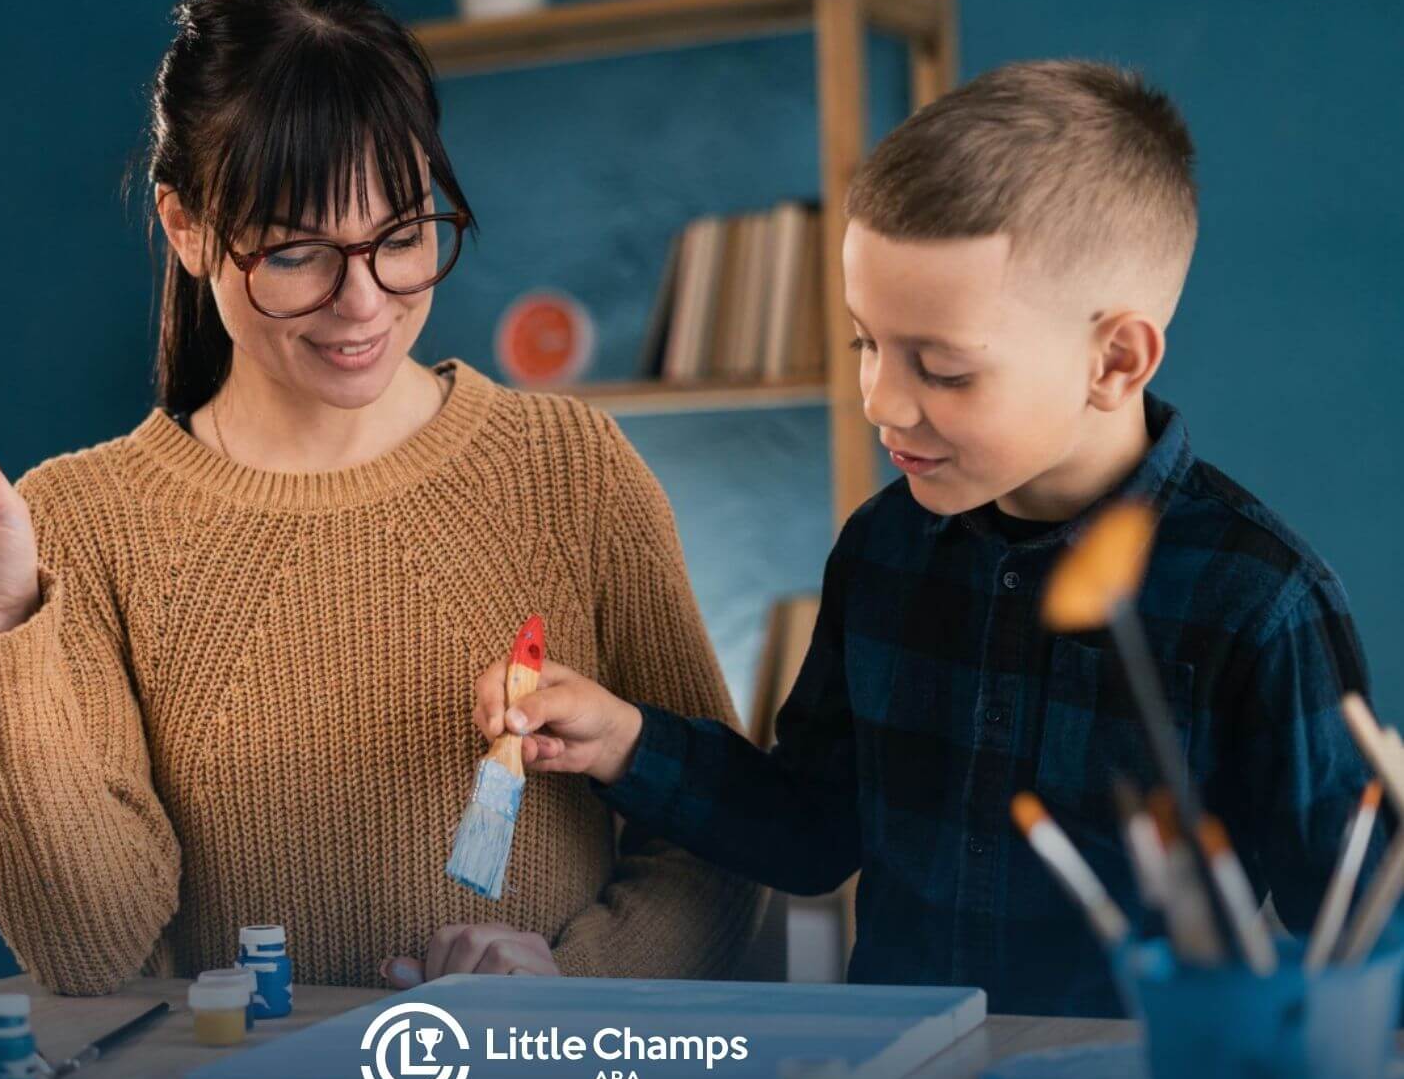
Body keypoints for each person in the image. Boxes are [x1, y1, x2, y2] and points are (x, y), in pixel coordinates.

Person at [0, 0, 761, 996]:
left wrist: (566, 992)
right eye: (295, 253)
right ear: (187, 228)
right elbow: (88, 954)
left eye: (402, 236)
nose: (363, 303)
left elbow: (720, 846)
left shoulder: (569, 467)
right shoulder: (84, 525)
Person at [473, 60, 1389, 1017]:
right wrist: (626, 741)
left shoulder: (1260, 602)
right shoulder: (882, 549)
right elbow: (812, 832)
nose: (880, 401)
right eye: (866, 343)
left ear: (1115, 361)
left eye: (944, 370)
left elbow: (1364, 931)